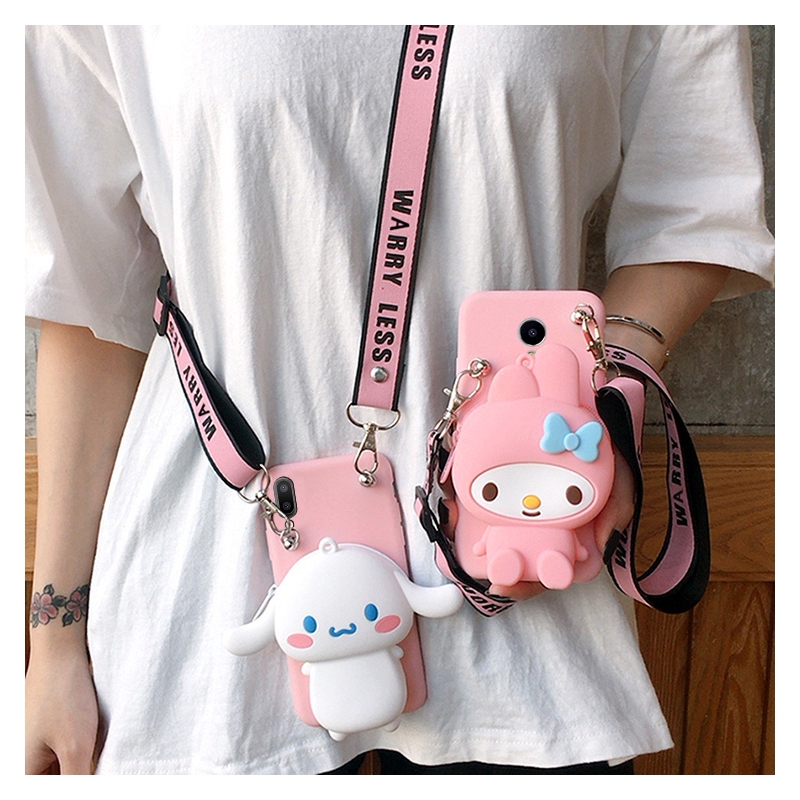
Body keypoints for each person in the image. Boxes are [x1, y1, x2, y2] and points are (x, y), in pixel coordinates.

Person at [25, 25, 774, 775]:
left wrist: (607, 397)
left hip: (522, 581)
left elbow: (694, 208)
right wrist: (54, 641)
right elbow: (91, 308)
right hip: (204, 615)